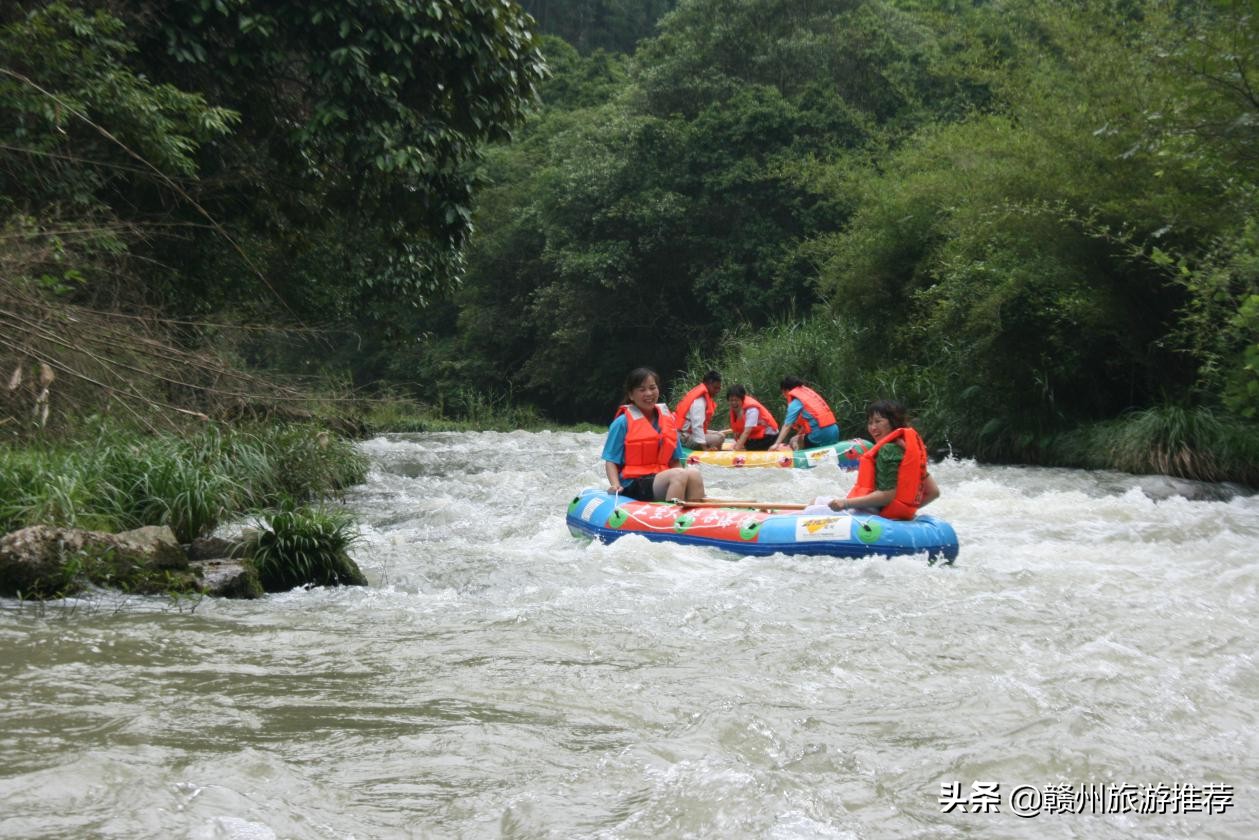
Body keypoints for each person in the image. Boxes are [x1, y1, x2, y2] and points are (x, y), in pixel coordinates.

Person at [810, 399, 940, 520]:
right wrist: (903, 511)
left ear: (893, 422)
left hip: (873, 514)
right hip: (886, 514)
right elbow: (933, 492)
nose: (873, 427)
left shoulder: (888, 450)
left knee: (814, 506)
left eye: (878, 421)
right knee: (819, 502)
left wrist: (845, 503)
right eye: (870, 422)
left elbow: (887, 495)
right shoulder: (907, 450)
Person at [602, 367, 707, 501]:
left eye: (652, 388)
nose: (649, 393)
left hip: (661, 478)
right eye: (642, 390)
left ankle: (693, 516)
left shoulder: (668, 421)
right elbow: (611, 460)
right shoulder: (622, 423)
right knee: (678, 475)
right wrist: (615, 485)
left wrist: (684, 479)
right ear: (631, 395)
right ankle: (670, 516)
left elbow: (675, 461)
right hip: (633, 483)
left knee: (694, 474)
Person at [768, 376, 840, 451]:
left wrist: (776, 444)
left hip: (820, 435)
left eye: (783, 392)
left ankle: (799, 461)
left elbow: (787, 425)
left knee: (794, 441)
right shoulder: (808, 396)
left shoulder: (795, 402)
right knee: (796, 438)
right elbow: (807, 425)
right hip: (835, 431)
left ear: (786, 390)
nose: (783, 395)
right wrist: (798, 436)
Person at [675, 370, 725, 451]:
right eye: (715, 388)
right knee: (719, 438)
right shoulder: (700, 401)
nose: (717, 391)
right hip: (683, 437)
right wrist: (704, 448)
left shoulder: (701, 395)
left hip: (688, 433)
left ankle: (714, 449)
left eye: (719, 388)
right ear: (708, 384)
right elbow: (697, 426)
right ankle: (708, 450)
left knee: (721, 434)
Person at [720, 384, 780, 451]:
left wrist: (736, 450)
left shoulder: (751, 409)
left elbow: (747, 432)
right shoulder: (736, 409)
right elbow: (737, 429)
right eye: (731, 400)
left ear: (742, 399)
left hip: (769, 436)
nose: (733, 403)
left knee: (749, 445)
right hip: (756, 435)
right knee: (741, 440)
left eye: (736, 400)